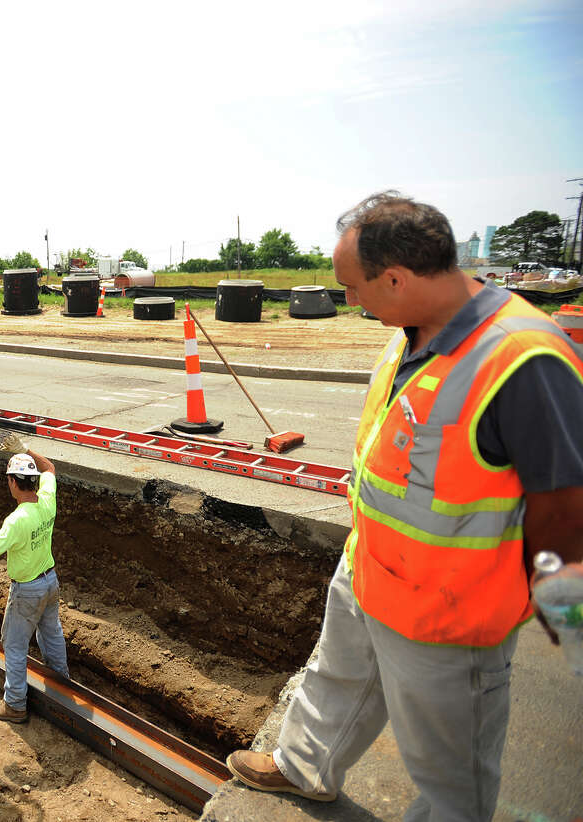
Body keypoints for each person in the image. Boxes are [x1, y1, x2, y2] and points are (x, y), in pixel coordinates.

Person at [226, 192, 583, 820]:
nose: (352, 302)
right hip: (370, 569)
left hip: (448, 611)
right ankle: (303, 766)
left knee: (453, 772)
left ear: (396, 277)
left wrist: (561, 599)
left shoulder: (525, 359)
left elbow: (567, 501)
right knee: (336, 679)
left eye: (355, 288)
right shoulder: (411, 327)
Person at [0, 434, 69, 723]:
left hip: (27, 591)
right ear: (33, 480)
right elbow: (49, 468)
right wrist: (26, 451)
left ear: (13, 482)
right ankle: (61, 685)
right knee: (51, 633)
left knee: (13, 644)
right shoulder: (47, 500)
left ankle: (14, 705)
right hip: (50, 582)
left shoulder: (18, 519)